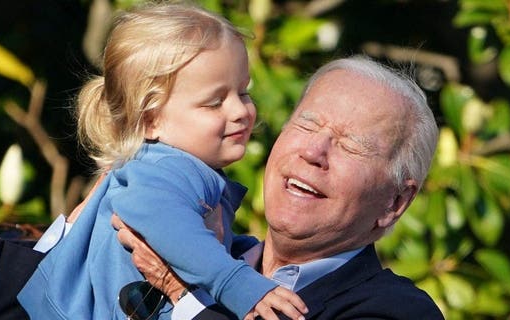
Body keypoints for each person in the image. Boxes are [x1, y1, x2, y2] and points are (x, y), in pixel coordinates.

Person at [17, 3, 307, 320]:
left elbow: (191, 238)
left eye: (243, 92)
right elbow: (170, 230)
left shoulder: (175, 165)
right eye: (215, 102)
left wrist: (243, 250)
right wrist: (236, 282)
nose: (240, 111)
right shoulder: (162, 170)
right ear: (150, 120)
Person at [113, 55, 446, 319]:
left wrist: (183, 293)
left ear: (395, 202)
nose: (313, 152)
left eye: (351, 146)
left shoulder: (398, 310)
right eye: (307, 124)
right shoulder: (203, 243)